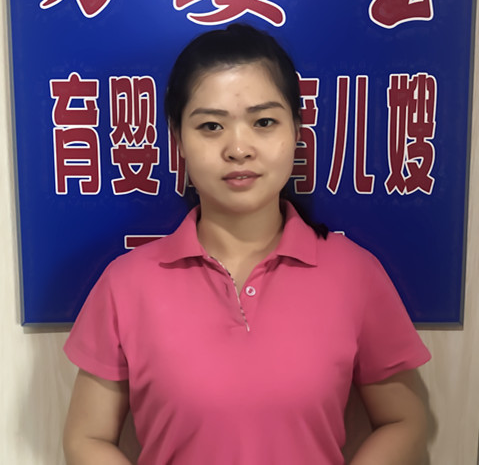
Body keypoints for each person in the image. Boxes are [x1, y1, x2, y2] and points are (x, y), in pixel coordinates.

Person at [63, 23, 431, 465]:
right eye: (211, 126)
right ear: (178, 139)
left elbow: (404, 421)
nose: (239, 148)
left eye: (264, 122)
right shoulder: (126, 284)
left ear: (297, 129)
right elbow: (86, 437)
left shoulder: (356, 274)